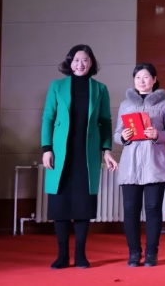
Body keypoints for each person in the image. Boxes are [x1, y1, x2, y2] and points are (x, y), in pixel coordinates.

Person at [41, 44, 118, 269]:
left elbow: (105, 121)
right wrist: (47, 148)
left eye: (85, 60)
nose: (80, 64)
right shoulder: (57, 86)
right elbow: (48, 118)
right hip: (61, 154)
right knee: (60, 207)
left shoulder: (100, 89)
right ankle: (62, 256)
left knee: (83, 206)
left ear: (91, 63)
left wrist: (106, 149)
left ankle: (81, 256)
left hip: (87, 155)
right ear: (70, 62)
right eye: (76, 60)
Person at [114, 63, 165, 267]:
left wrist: (157, 134)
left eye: (146, 77)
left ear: (154, 79)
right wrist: (123, 136)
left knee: (153, 209)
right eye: (138, 77)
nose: (142, 80)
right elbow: (117, 134)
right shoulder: (125, 104)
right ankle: (134, 253)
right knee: (130, 210)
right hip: (130, 165)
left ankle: (151, 253)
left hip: (154, 163)